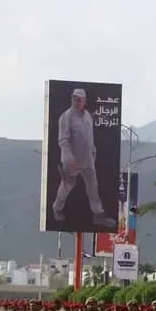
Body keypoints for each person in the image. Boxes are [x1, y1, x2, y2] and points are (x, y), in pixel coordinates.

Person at [51, 87, 116, 229]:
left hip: (87, 160)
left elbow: (89, 137)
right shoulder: (66, 117)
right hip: (72, 161)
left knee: (93, 187)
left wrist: (93, 151)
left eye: (79, 99)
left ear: (84, 101)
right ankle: (57, 208)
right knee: (67, 186)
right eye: (74, 98)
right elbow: (63, 141)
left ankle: (98, 214)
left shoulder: (87, 116)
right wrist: (69, 160)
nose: (76, 101)